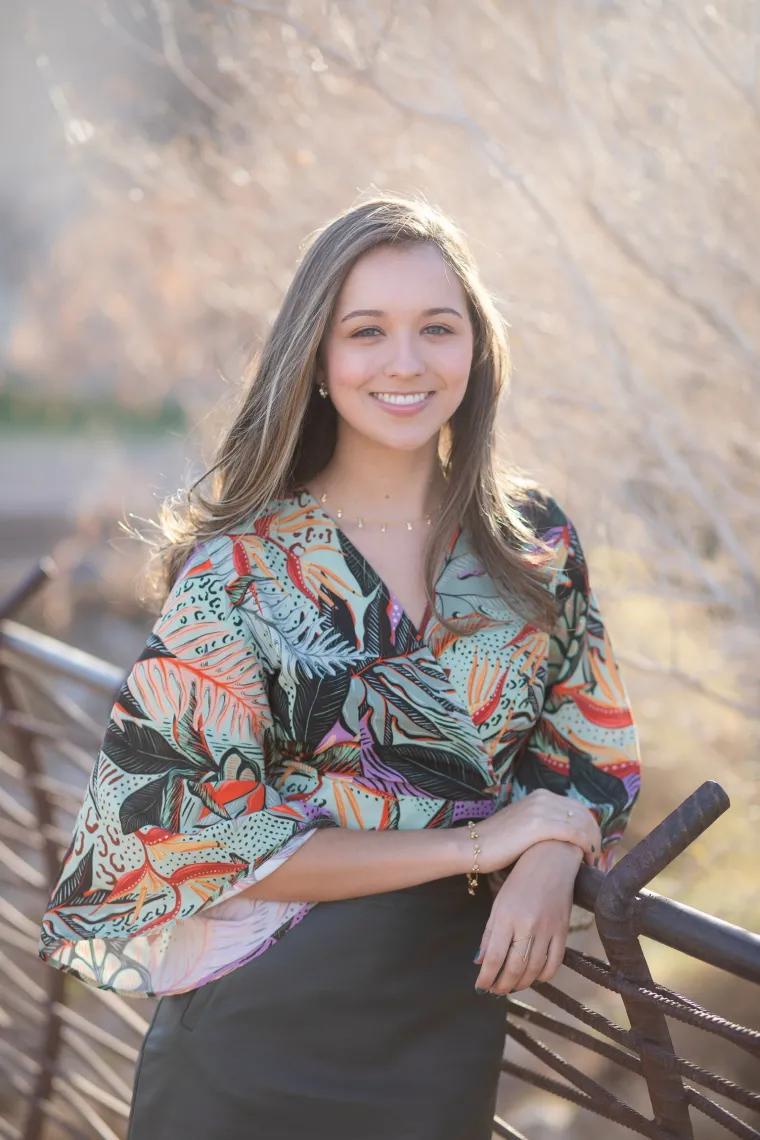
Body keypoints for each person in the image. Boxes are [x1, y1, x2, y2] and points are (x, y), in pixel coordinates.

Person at [38, 196, 641, 1140]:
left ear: (476, 349)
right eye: (368, 332)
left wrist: (554, 852)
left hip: (443, 1027)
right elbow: (177, 833)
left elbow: (585, 748)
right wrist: (480, 846)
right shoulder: (241, 568)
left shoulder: (533, 543)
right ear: (318, 360)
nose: (406, 362)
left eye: (437, 328)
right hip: (255, 1038)